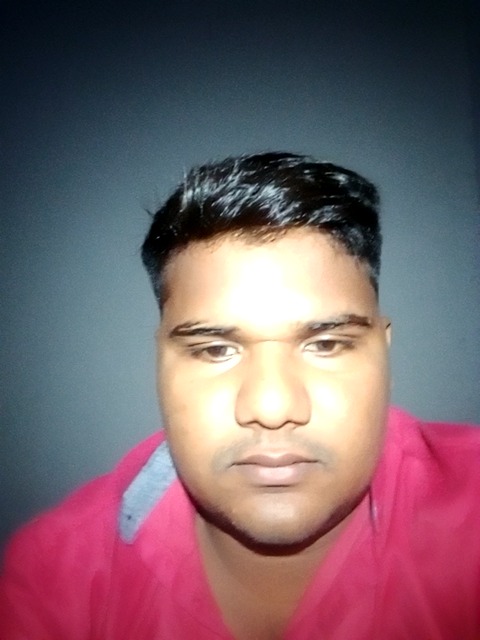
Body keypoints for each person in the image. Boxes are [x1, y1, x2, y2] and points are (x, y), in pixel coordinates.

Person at [1, 152, 479, 640]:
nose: (272, 408)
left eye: (327, 344)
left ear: (384, 354)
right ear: (159, 365)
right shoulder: (54, 576)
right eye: (215, 349)